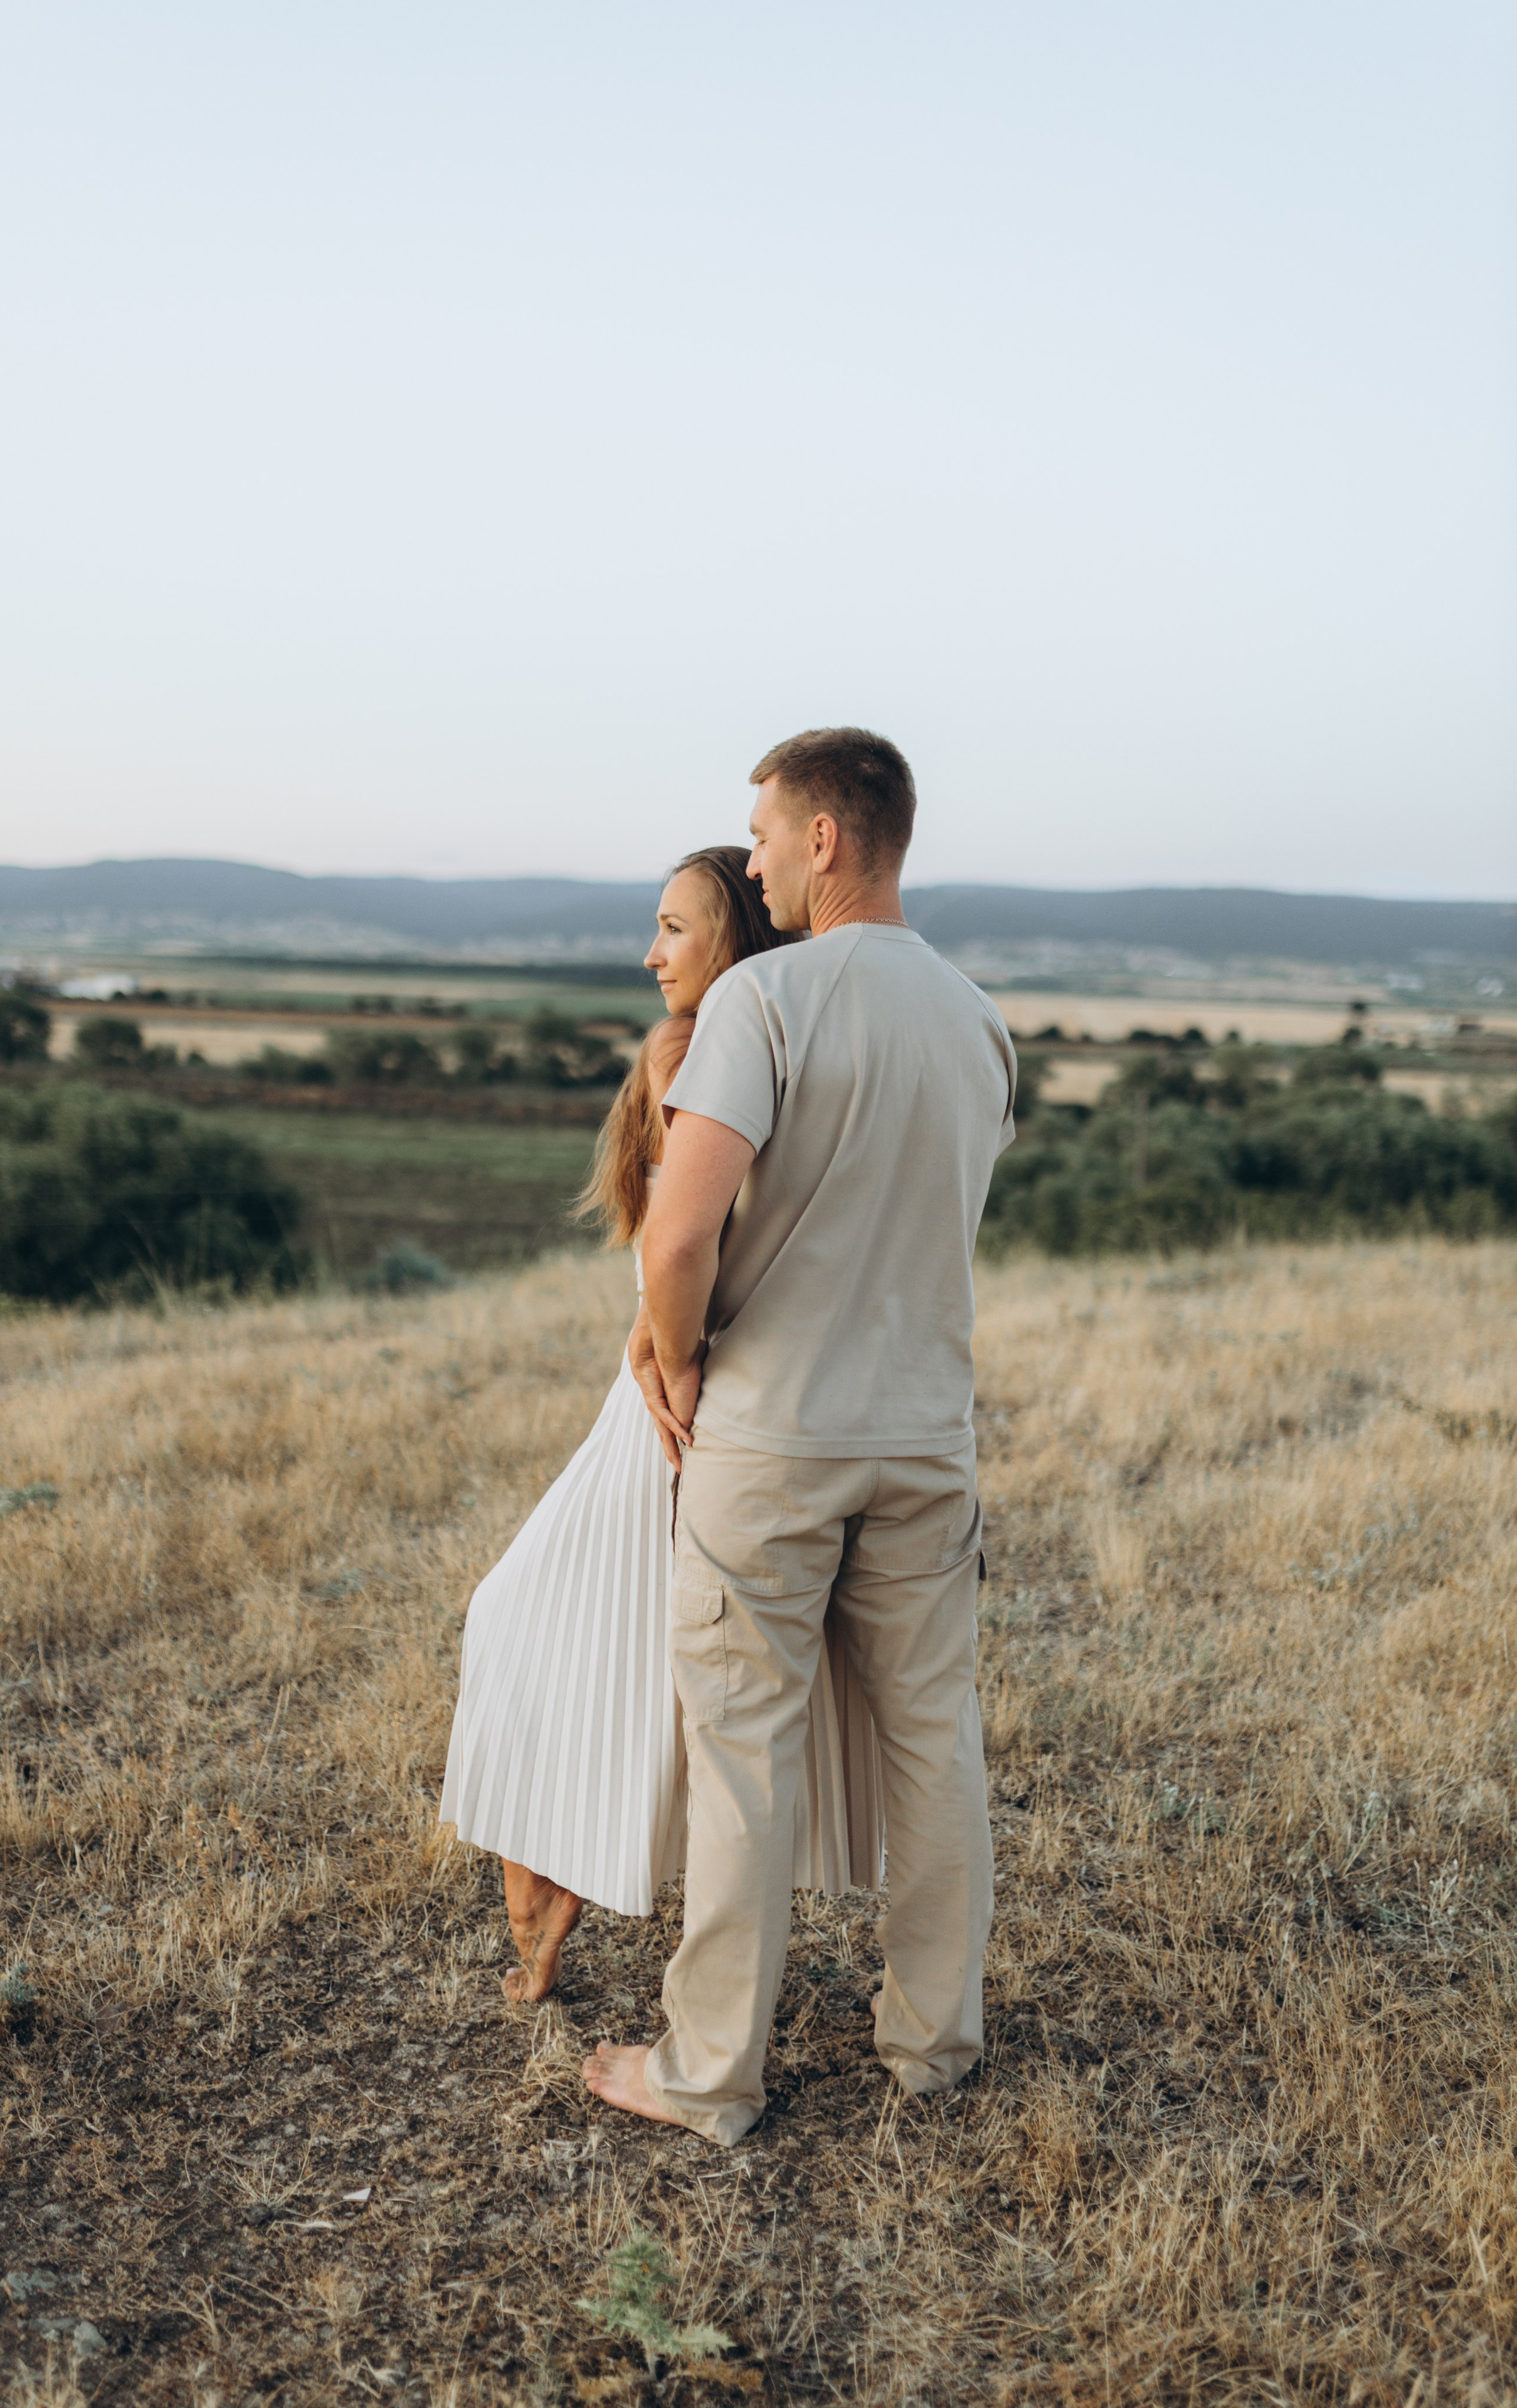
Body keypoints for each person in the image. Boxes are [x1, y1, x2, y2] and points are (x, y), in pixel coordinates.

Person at [583, 728, 1017, 2144]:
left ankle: (710, 2074)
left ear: (825, 838)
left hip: (771, 1439)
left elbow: (681, 1230)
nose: (752, 855)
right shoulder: (976, 1023)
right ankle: (935, 2045)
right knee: (933, 1739)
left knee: (745, 1751)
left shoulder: (762, 1003)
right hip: (925, 1440)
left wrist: (676, 1354)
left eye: (762, 831)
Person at [439, 845, 884, 2004]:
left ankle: (550, 1900)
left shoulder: (700, 1047)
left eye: (675, 930)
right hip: (702, 1389)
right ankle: (560, 1893)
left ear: (731, 939)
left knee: (542, 1625)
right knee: (624, 1652)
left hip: (678, 1397)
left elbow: (689, 1246)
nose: (652, 954)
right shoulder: (749, 1038)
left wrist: (665, 1347)